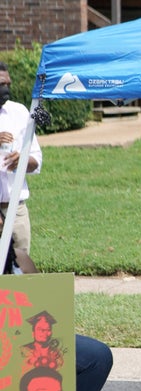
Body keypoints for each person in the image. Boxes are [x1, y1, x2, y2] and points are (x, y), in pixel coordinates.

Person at [12, 248, 113, 391]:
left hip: (24, 340)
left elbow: (45, 306)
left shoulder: (19, 259)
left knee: (98, 356)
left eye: (2, 221)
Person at [0, 61, 42, 254]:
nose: (6, 89)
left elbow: (35, 161)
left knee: (20, 278)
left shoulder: (19, 112)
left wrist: (21, 160)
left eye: (8, 84)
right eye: (1, 85)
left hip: (16, 210)